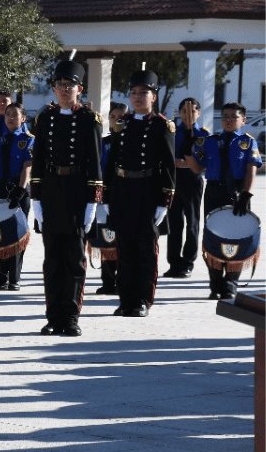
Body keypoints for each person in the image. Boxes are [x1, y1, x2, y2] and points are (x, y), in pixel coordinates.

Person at [30, 59, 103, 336]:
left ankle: (70, 316)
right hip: (50, 191)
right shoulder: (44, 119)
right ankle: (53, 316)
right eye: (60, 85)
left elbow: (94, 163)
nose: (64, 90)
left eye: (69, 86)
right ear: (54, 88)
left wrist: (92, 202)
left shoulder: (88, 120)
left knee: (74, 260)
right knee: (52, 261)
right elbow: (37, 161)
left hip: (75, 191)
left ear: (79, 89)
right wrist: (35, 198)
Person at [103, 69, 175, 317]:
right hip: (124, 191)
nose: (137, 97)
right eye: (133, 92)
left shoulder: (161, 125)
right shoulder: (122, 124)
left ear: (154, 96)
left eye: (143, 92)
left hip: (148, 191)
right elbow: (112, 162)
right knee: (124, 249)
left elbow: (168, 165)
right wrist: (106, 196)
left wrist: (164, 201)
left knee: (145, 250)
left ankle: (143, 299)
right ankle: (125, 299)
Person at [188, 102, 261, 299]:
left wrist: (246, 194)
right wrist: (188, 149)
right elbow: (196, 168)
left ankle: (231, 283)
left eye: (233, 117)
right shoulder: (210, 141)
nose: (228, 120)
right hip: (214, 191)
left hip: (238, 192)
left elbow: (251, 168)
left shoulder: (248, 142)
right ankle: (215, 281)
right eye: (225, 116)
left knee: (238, 236)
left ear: (243, 120)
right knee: (213, 236)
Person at [0, 102, 34, 290]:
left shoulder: (27, 139)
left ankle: (14, 277)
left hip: (18, 188)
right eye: (8, 114)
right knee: (0, 233)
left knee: (17, 234)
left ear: (23, 118)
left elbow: (28, 165)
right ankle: (1, 275)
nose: (10, 117)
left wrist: (21, 188)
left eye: (15, 114)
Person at [163, 97, 208, 278]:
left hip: (193, 180)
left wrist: (191, 164)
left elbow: (204, 161)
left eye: (192, 111)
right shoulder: (172, 131)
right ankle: (174, 262)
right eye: (184, 112)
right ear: (179, 113)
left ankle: (188, 261)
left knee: (192, 222)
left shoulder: (203, 134)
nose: (188, 115)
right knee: (174, 223)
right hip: (175, 179)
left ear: (198, 113)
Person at [95, 102, 127, 295]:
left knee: (123, 242)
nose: (117, 121)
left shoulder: (133, 142)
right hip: (105, 196)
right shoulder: (103, 143)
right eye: (113, 117)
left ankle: (123, 281)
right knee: (106, 240)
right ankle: (107, 281)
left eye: (122, 117)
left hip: (126, 195)